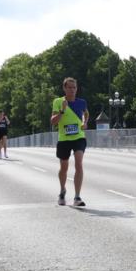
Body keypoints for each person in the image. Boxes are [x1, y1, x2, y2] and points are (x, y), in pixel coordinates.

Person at [50, 77, 89, 206]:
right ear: (64, 88)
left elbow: (86, 114)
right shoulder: (58, 101)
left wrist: (85, 123)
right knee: (64, 167)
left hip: (79, 137)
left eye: (74, 87)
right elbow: (53, 121)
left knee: (79, 163)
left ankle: (77, 197)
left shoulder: (82, 102)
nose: (72, 90)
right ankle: (62, 190)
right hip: (64, 139)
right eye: (69, 87)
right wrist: (62, 110)